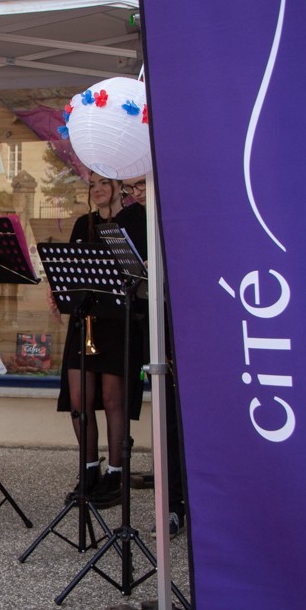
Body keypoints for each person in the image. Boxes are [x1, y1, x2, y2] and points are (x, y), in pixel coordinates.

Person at [55, 172, 143, 509]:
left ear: (119, 187)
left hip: (119, 321)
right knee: (79, 400)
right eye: (92, 186)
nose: (97, 191)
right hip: (86, 319)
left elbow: (140, 272)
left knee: (113, 399)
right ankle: (89, 470)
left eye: (104, 183)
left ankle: (116, 474)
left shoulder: (136, 219)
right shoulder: (84, 224)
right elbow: (70, 270)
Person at [120, 175, 188, 537]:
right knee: (167, 419)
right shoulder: (133, 220)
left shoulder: (181, 213)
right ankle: (173, 505)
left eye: (140, 185)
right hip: (158, 323)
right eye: (131, 189)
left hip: (192, 325)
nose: (136, 194)